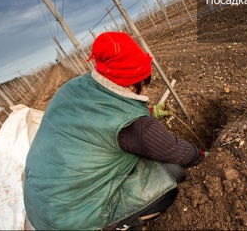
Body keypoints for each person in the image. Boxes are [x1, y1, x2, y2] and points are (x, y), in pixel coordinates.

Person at [23, 32, 207, 230]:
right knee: (173, 173)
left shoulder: (72, 88)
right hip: (73, 220)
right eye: (143, 84)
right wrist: (203, 156)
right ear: (129, 85)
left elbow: (96, 121)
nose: (144, 89)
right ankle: (125, 225)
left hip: (39, 207)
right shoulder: (134, 126)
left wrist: (151, 112)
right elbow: (176, 151)